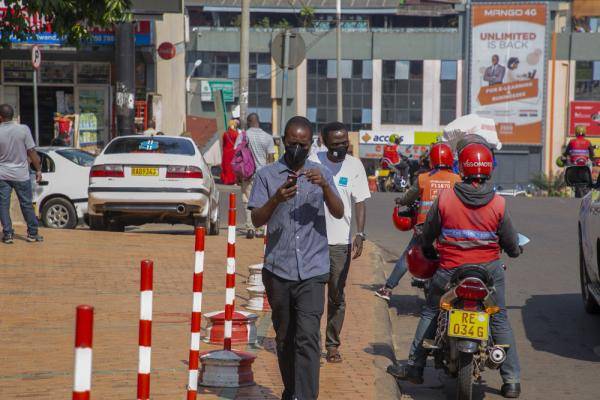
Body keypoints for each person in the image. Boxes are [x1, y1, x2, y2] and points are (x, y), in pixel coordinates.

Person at [388, 143, 522, 399]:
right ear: (488, 171)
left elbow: (428, 234)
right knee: (499, 318)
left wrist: (427, 247)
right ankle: (512, 380)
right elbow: (511, 244)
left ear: (462, 168)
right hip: (489, 273)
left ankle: (415, 367)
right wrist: (514, 251)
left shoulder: (446, 199)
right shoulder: (499, 204)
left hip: (450, 271)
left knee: (430, 310)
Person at [248, 116, 344, 400]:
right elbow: (255, 219)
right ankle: (292, 391)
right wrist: (276, 199)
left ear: (311, 143)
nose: (297, 150)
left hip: (313, 271)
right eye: (292, 144)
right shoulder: (267, 175)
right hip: (279, 270)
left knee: (308, 338)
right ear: (282, 142)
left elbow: (339, 212)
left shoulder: (321, 172)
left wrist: (325, 186)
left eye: (303, 144)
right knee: (285, 339)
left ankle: (305, 397)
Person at [309, 121, 371, 363]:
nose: (341, 148)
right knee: (312, 297)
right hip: (313, 241)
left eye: (344, 143)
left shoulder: (355, 165)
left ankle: (332, 345)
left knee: (336, 296)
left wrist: (360, 233)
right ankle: (310, 344)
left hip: (339, 244)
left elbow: (360, 200)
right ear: (324, 142)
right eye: (335, 144)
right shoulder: (313, 160)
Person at [375, 143, 460, 301]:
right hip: (450, 228)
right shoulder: (457, 180)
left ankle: (388, 288)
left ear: (432, 160)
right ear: (450, 160)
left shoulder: (423, 178)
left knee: (409, 256)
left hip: (425, 228)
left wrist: (401, 200)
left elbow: (409, 197)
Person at [0, 104, 44, 244]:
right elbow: (32, 152)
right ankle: (32, 233)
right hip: (21, 175)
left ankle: (7, 234)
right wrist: (38, 170)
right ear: (12, 115)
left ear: (0, 117)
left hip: (2, 174)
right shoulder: (23, 129)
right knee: (26, 204)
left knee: (3, 204)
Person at [234, 113, 275, 238]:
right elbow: (271, 158)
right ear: (259, 121)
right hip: (263, 174)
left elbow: (237, 155)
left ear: (248, 122)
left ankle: (250, 227)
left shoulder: (243, 136)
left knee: (247, 201)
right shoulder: (268, 137)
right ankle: (260, 228)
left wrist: (238, 175)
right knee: (262, 201)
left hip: (247, 174)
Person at [221, 119, 239, 185]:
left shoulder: (225, 134)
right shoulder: (237, 134)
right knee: (233, 167)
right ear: (234, 125)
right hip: (234, 152)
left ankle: (226, 180)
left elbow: (223, 144)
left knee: (226, 166)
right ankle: (233, 180)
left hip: (226, 152)